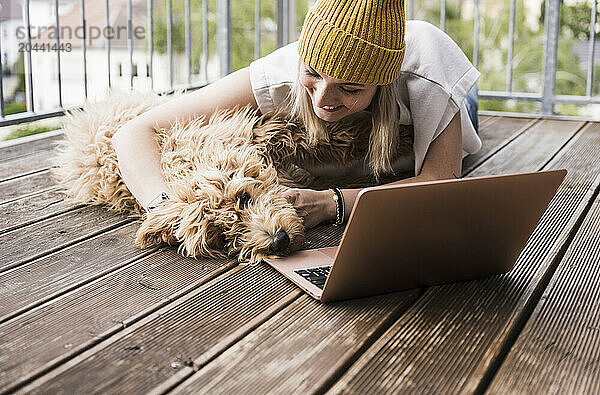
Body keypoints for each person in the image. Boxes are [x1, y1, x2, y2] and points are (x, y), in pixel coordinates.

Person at [112, 0, 482, 229]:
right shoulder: (281, 69)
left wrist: (332, 202)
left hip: (457, 97)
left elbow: (440, 182)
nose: (323, 100)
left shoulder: (431, 71)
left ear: (381, 85)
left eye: (350, 88)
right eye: (314, 74)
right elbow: (133, 131)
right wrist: (166, 209)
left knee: (466, 109)